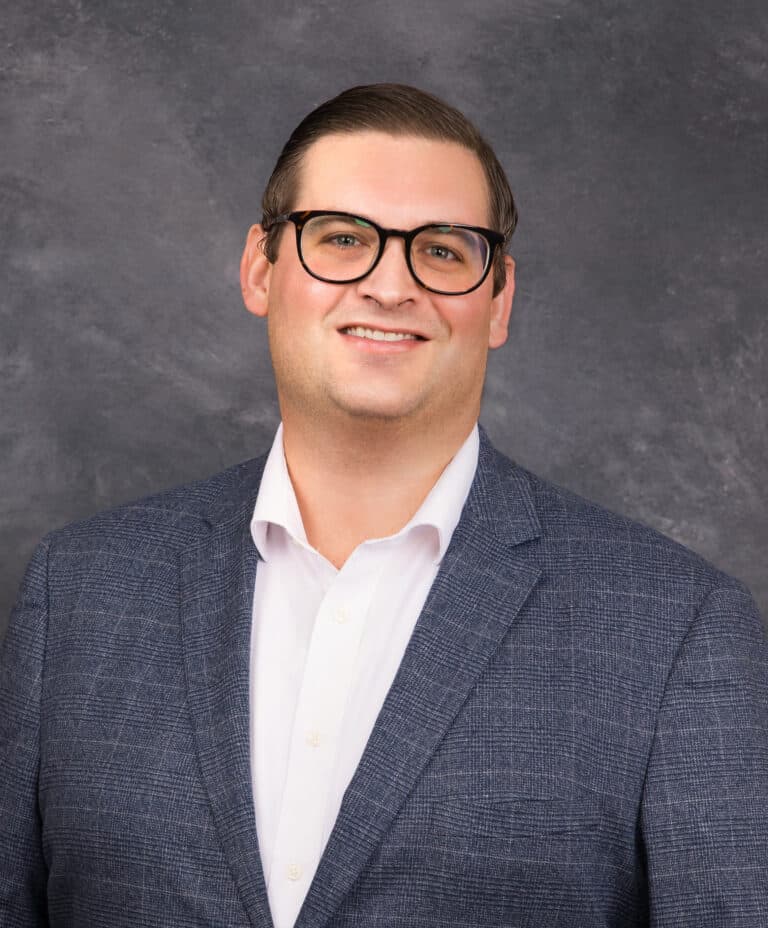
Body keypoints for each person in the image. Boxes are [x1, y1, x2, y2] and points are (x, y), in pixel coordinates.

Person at [1, 83, 766, 928]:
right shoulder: (79, 592)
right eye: (342, 238)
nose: (390, 285)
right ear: (262, 268)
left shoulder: (676, 627)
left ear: (499, 298)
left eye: (441, 250)